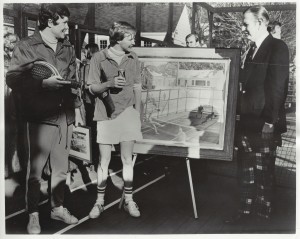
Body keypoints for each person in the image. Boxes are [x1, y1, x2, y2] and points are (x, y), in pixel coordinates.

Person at [6, 3, 83, 234]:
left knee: (61, 169)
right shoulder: (27, 46)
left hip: (64, 116)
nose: (67, 29)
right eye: (64, 24)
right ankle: (33, 214)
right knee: (34, 172)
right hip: (38, 118)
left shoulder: (67, 47)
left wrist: (77, 109)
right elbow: (13, 79)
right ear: (50, 22)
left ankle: (57, 208)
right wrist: (42, 84)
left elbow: (73, 79)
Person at [225, 5, 289, 224]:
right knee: (245, 171)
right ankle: (244, 212)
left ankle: (262, 217)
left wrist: (270, 122)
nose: (243, 28)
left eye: (246, 23)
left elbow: (278, 87)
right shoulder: (250, 49)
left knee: (263, 173)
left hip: (263, 123)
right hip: (246, 122)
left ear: (260, 23)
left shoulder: (277, 47)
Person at [87, 21, 143, 218]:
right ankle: (99, 202)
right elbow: (91, 88)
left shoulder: (133, 57)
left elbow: (137, 86)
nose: (133, 42)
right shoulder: (98, 58)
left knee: (128, 160)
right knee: (104, 161)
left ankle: (129, 200)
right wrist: (109, 83)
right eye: (130, 38)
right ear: (118, 38)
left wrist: (138, 113)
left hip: (128, 114)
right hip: (105, 114)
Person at [4, 32, 21, 178]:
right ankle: (7, 167)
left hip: (14, 98)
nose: (11, 44)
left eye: (13, 42)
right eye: (9, 42)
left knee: (14, 131)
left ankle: (14, 166)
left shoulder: (18, 59)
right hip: (5, 97)